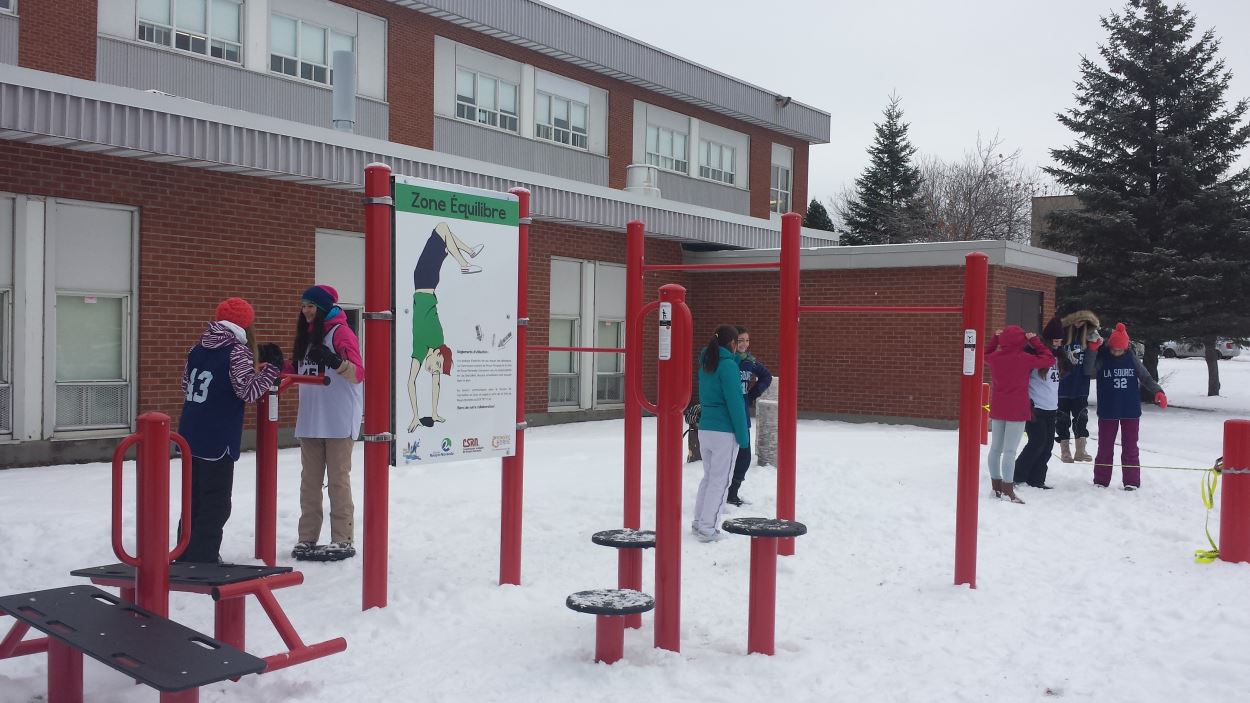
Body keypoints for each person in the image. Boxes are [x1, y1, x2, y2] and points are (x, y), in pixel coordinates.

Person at [178, 297, 283, 563]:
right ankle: (203, 555)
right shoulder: (237, 351)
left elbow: (184, 385)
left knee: (194, 495)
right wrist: (272, 371)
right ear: (245, 325)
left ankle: (184, 549)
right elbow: (247, 391)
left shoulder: (197, 348)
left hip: (190, 432)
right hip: (217, 435)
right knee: (217, 501)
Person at [290, 284, 365, 561]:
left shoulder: (340, 332)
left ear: (323, 308)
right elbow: (300, 368)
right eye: (304, 305)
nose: (306, 310)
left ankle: (342, 538)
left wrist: (335, 361)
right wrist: (276, 364)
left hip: (337, 419)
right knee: (309, 483)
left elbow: (358, 373)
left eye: (311, 306)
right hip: (310, 420)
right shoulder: (306, 336)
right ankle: (307, 538)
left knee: (337, 481)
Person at [407, 222, 483, 432]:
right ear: (440, 354)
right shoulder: (438, 341)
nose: (434, 371)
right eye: (438, 366)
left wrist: (419, 415)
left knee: (443, 231)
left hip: (423, 280)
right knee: (442, 230)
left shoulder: (420, 352)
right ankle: (466, 259)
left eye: (436, 370)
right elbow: (435, 382)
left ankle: (467, 255)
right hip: (428, 281)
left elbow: (412, 382)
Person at [1083, 322, 1167, 490]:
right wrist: (1092, 350)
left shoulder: (1131, 358)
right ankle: (1101, 480)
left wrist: (1158, 392)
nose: (1116, 353)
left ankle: (1131, 481)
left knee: (1130, 448)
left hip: (1130, 410)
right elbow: (1088, 372)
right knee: (1105, 448)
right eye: (1114, 349)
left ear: (1126, 348)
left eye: (1119, 350)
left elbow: (1146, 377)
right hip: (1108, 411)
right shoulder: (1103, 356)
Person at [691, 325, 750, 542]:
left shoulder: (706, 363)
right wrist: (743, 437)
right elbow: (735, 403)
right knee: (720, 481)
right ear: (733, 344)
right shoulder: (728, 367)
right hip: (724, 432)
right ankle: (708, 529)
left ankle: (699, 523)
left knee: (708, 478)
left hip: (705, 428)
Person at [984, 325, 1055, 504]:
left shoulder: (995, 358)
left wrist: (995, 339)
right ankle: (1008, 489)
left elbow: (983, 354)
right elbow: (1049, 359)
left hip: (999, 407)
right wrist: (1034, 341)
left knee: (996, 449)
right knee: (1010, 451)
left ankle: (996, 486)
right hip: (1017, 410)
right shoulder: (1024, 358)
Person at [1013, 316, 1067, 489]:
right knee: (1037, 442)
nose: (1058, 343)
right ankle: (1017, 475)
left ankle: (1037, 479)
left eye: (1060, 340)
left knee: (1047, 446)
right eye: (1056, 340)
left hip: (1052, 407)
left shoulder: (1060, 355)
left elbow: (1065, 374)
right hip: (1035, 407)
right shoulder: (1035, 354)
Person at [727, 326, 771, 507]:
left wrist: (752, 395)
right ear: (732, 342)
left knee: (744, 456)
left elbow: (766, 376)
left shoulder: (749, 361)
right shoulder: (727, 361)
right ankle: (719, 492)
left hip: (743, 415)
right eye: (740, 340)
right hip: (727, 416)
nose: (744, 344)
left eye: (747, 340)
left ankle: (733, 492)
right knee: (726, 457)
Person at [1056, 310, 1101, 462]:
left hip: (1080, 385)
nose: (1079, 324)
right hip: (1062, 386)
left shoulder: (1089, 337)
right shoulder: (1061, 335)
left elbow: (1090, 369)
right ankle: (1065, 451)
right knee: (1062, 419)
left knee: (1081, 417)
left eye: (1083, 321)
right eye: (1077, 320)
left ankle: (1080, 450)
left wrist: (1093, 350)